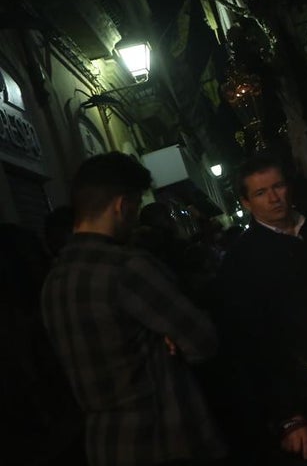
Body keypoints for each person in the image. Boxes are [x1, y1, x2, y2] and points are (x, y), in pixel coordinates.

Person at [41, 152, 227, 466]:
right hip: (163, 441)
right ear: (121, 205)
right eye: (137, 205)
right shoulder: (127, 267)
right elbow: (202, 340)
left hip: (105, 445)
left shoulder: (53, 281)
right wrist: (168, 340)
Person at [211, 153, 307, 462]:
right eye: (261, 192)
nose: (273, 198)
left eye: (278, 186)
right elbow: (252, 343)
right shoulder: (242, 262)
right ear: (246, 202)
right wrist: (287, 414)